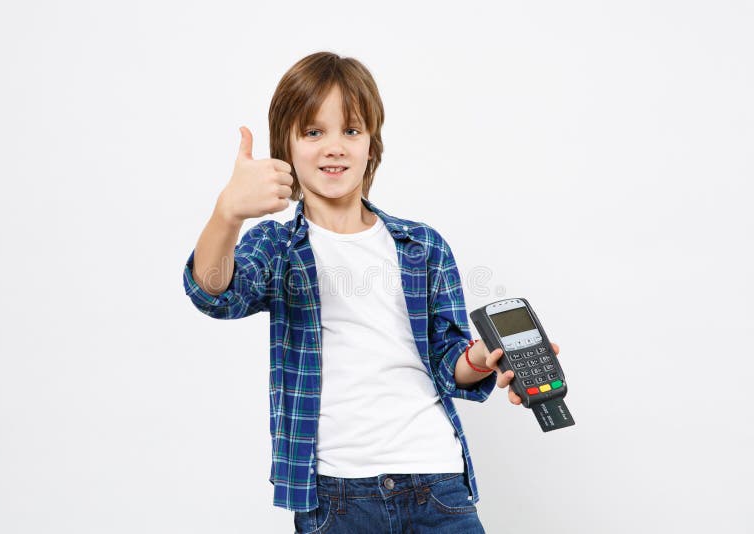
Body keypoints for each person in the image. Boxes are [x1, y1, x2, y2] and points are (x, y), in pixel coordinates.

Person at [182, 51, 560, 533]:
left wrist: (482, 357)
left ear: (371, 145)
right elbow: (214, 292)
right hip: (336, 495)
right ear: (287, 147)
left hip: (437, 480)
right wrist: (227, 213)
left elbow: (449, 361)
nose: (334, 147)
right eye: (314, 132)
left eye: (351, 131)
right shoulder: (277, 246)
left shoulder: (422, 245)